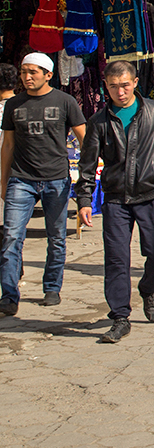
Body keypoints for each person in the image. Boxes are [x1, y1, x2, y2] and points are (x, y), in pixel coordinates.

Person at [76, 61, 154, 343]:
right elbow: (87, 165)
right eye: (113, 86)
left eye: (124, 85)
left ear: (135, 83)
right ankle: (120, 317)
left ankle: (148, 289)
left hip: (151, 195)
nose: (120, 92)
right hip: (115, 199)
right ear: (106, 86)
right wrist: (84, 199)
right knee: (116, 259)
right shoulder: (99, 121)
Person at [0, 53, 88, 316]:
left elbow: (85, 139)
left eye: (33, 72)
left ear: (48, 74)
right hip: (21, 180)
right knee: (12, 237)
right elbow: (8, 145)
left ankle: (52, 287)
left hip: (56, 180)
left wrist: (86, 176)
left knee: (56, 237)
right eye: (23, 72)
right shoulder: (14, 104)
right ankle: (9, 295)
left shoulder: (65, 101)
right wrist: (3, 181)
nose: (27, 77)